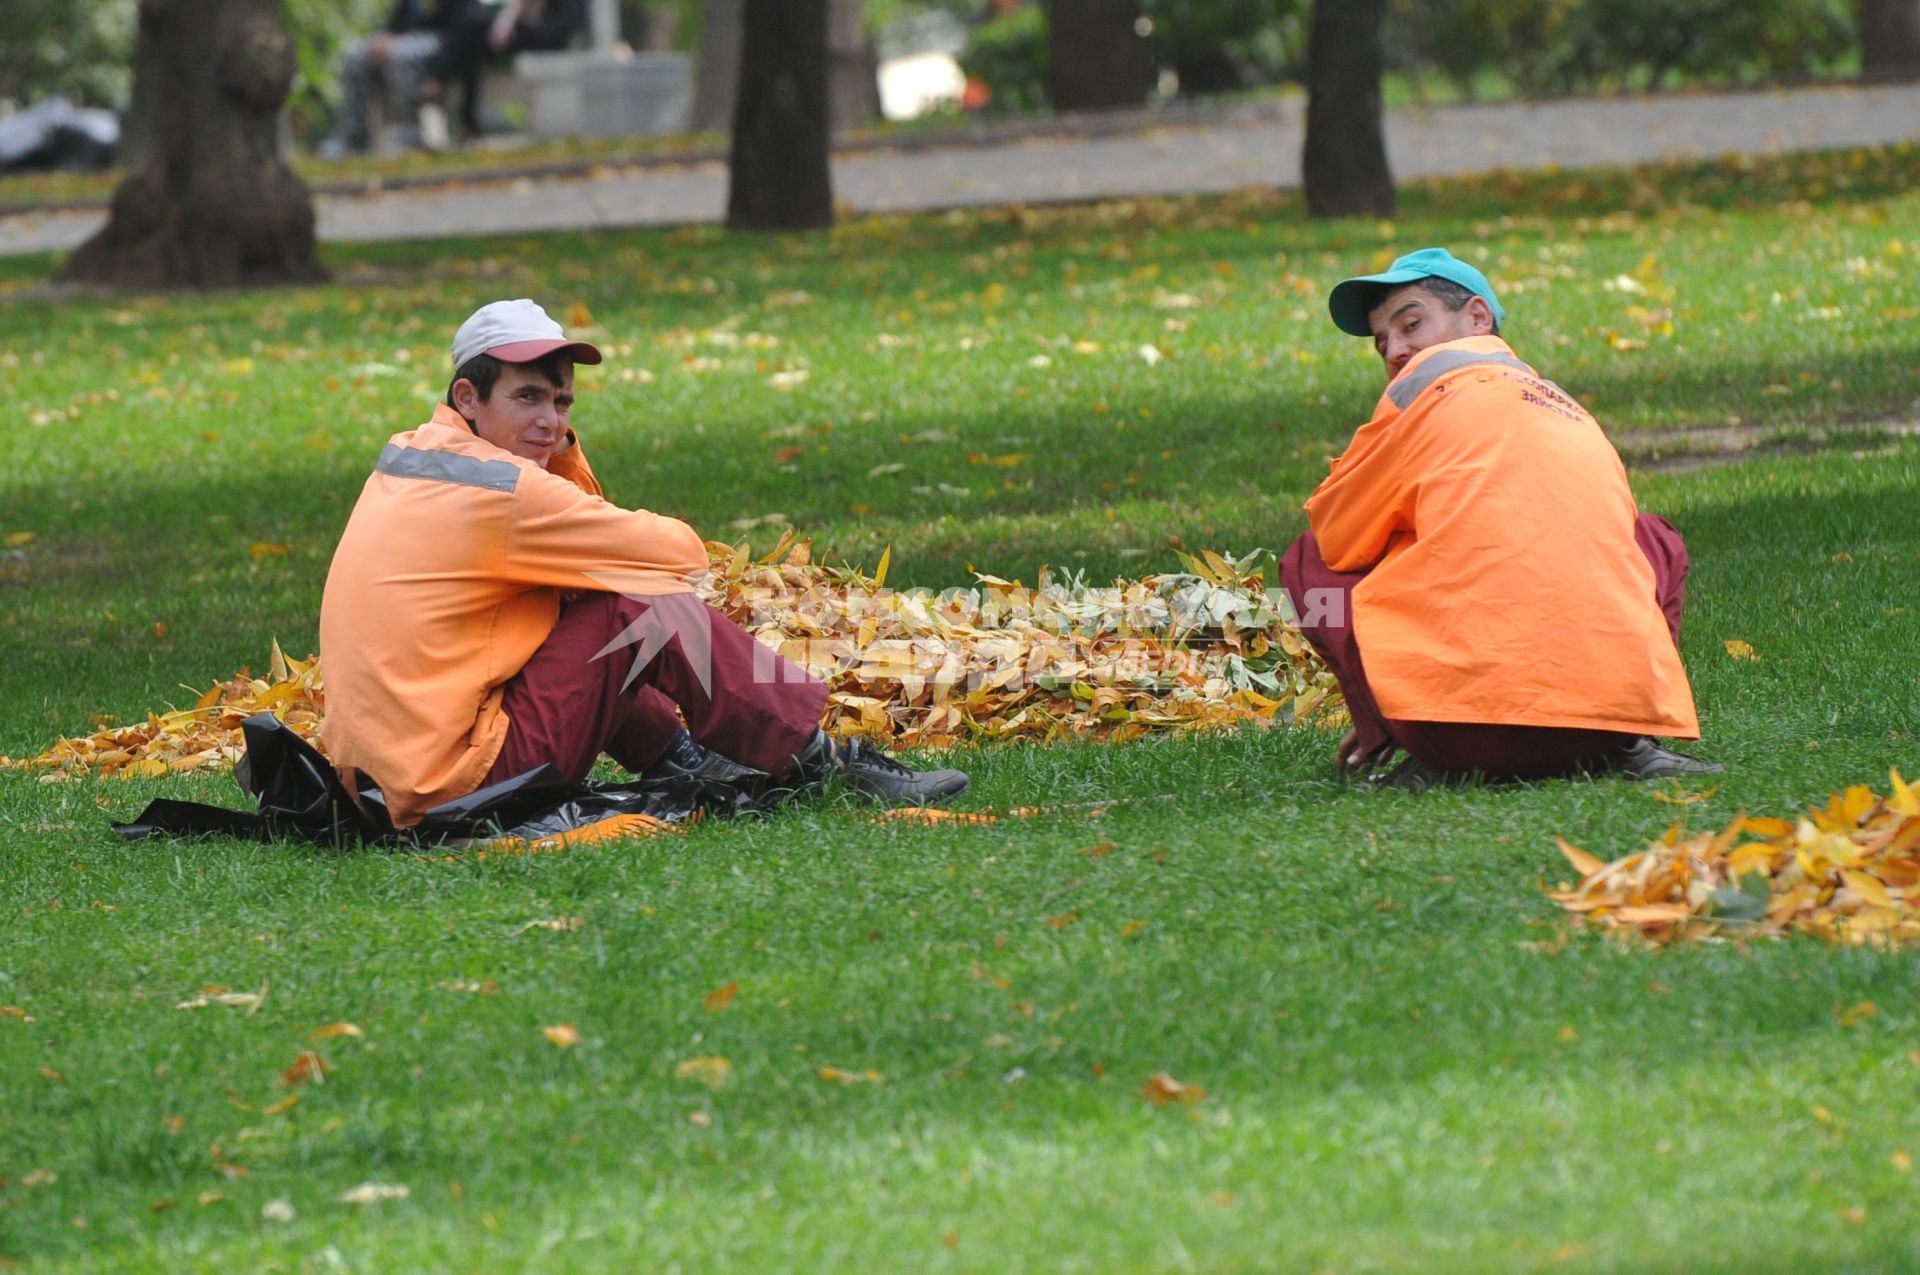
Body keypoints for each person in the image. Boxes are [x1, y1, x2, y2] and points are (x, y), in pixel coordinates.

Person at [319, 299, 968, 828]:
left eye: (563, 404)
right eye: (528, 399)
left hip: (381, 785)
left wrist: (543, 449)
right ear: (468, 396)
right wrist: (562, 464)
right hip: (452, 790)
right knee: (640, 606)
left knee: (580, 600)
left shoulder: (412, 454)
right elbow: (678, 558)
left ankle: (678, 758)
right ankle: (824, 763)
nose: (550, 420)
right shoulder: (500, 492)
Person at [1279, 248, 1722, 790]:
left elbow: (1338, 538)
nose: (1396, 351)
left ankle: (1391, 734)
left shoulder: (1420, 390)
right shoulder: (1571, 410)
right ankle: (1635, 739)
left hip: (1460, 738)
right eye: (1381, 343)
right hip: (1598, 733)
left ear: (1478, 318)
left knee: (1309, 561)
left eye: (1411, 324)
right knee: (1652, 539)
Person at [320, 0, 479, 158]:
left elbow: (464, 33)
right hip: (402, 40)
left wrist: (439, 76)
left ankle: (407, 136)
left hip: (441, 45)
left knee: (400, 56)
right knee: (353, 56)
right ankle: (352, 138)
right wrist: (383, 37)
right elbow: (396, 21)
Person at [431, 0, 588, 140]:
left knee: (468, 30)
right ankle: (467, 121)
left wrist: (510, 18)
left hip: (546, 35)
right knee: (468, 48)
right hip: (533, 29)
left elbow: (554, 25)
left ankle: (439, 81)